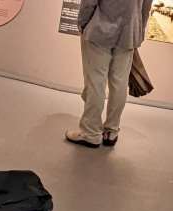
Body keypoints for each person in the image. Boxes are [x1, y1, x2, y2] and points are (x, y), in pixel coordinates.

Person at [66, 0, 153, 148]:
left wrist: (82, 23)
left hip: (99, 29)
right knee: (120, 83)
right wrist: (139, 30)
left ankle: (90, 133)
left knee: (95, 82)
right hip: (129, 32)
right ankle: (111, 131)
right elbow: (146, 7)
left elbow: (89, 2)